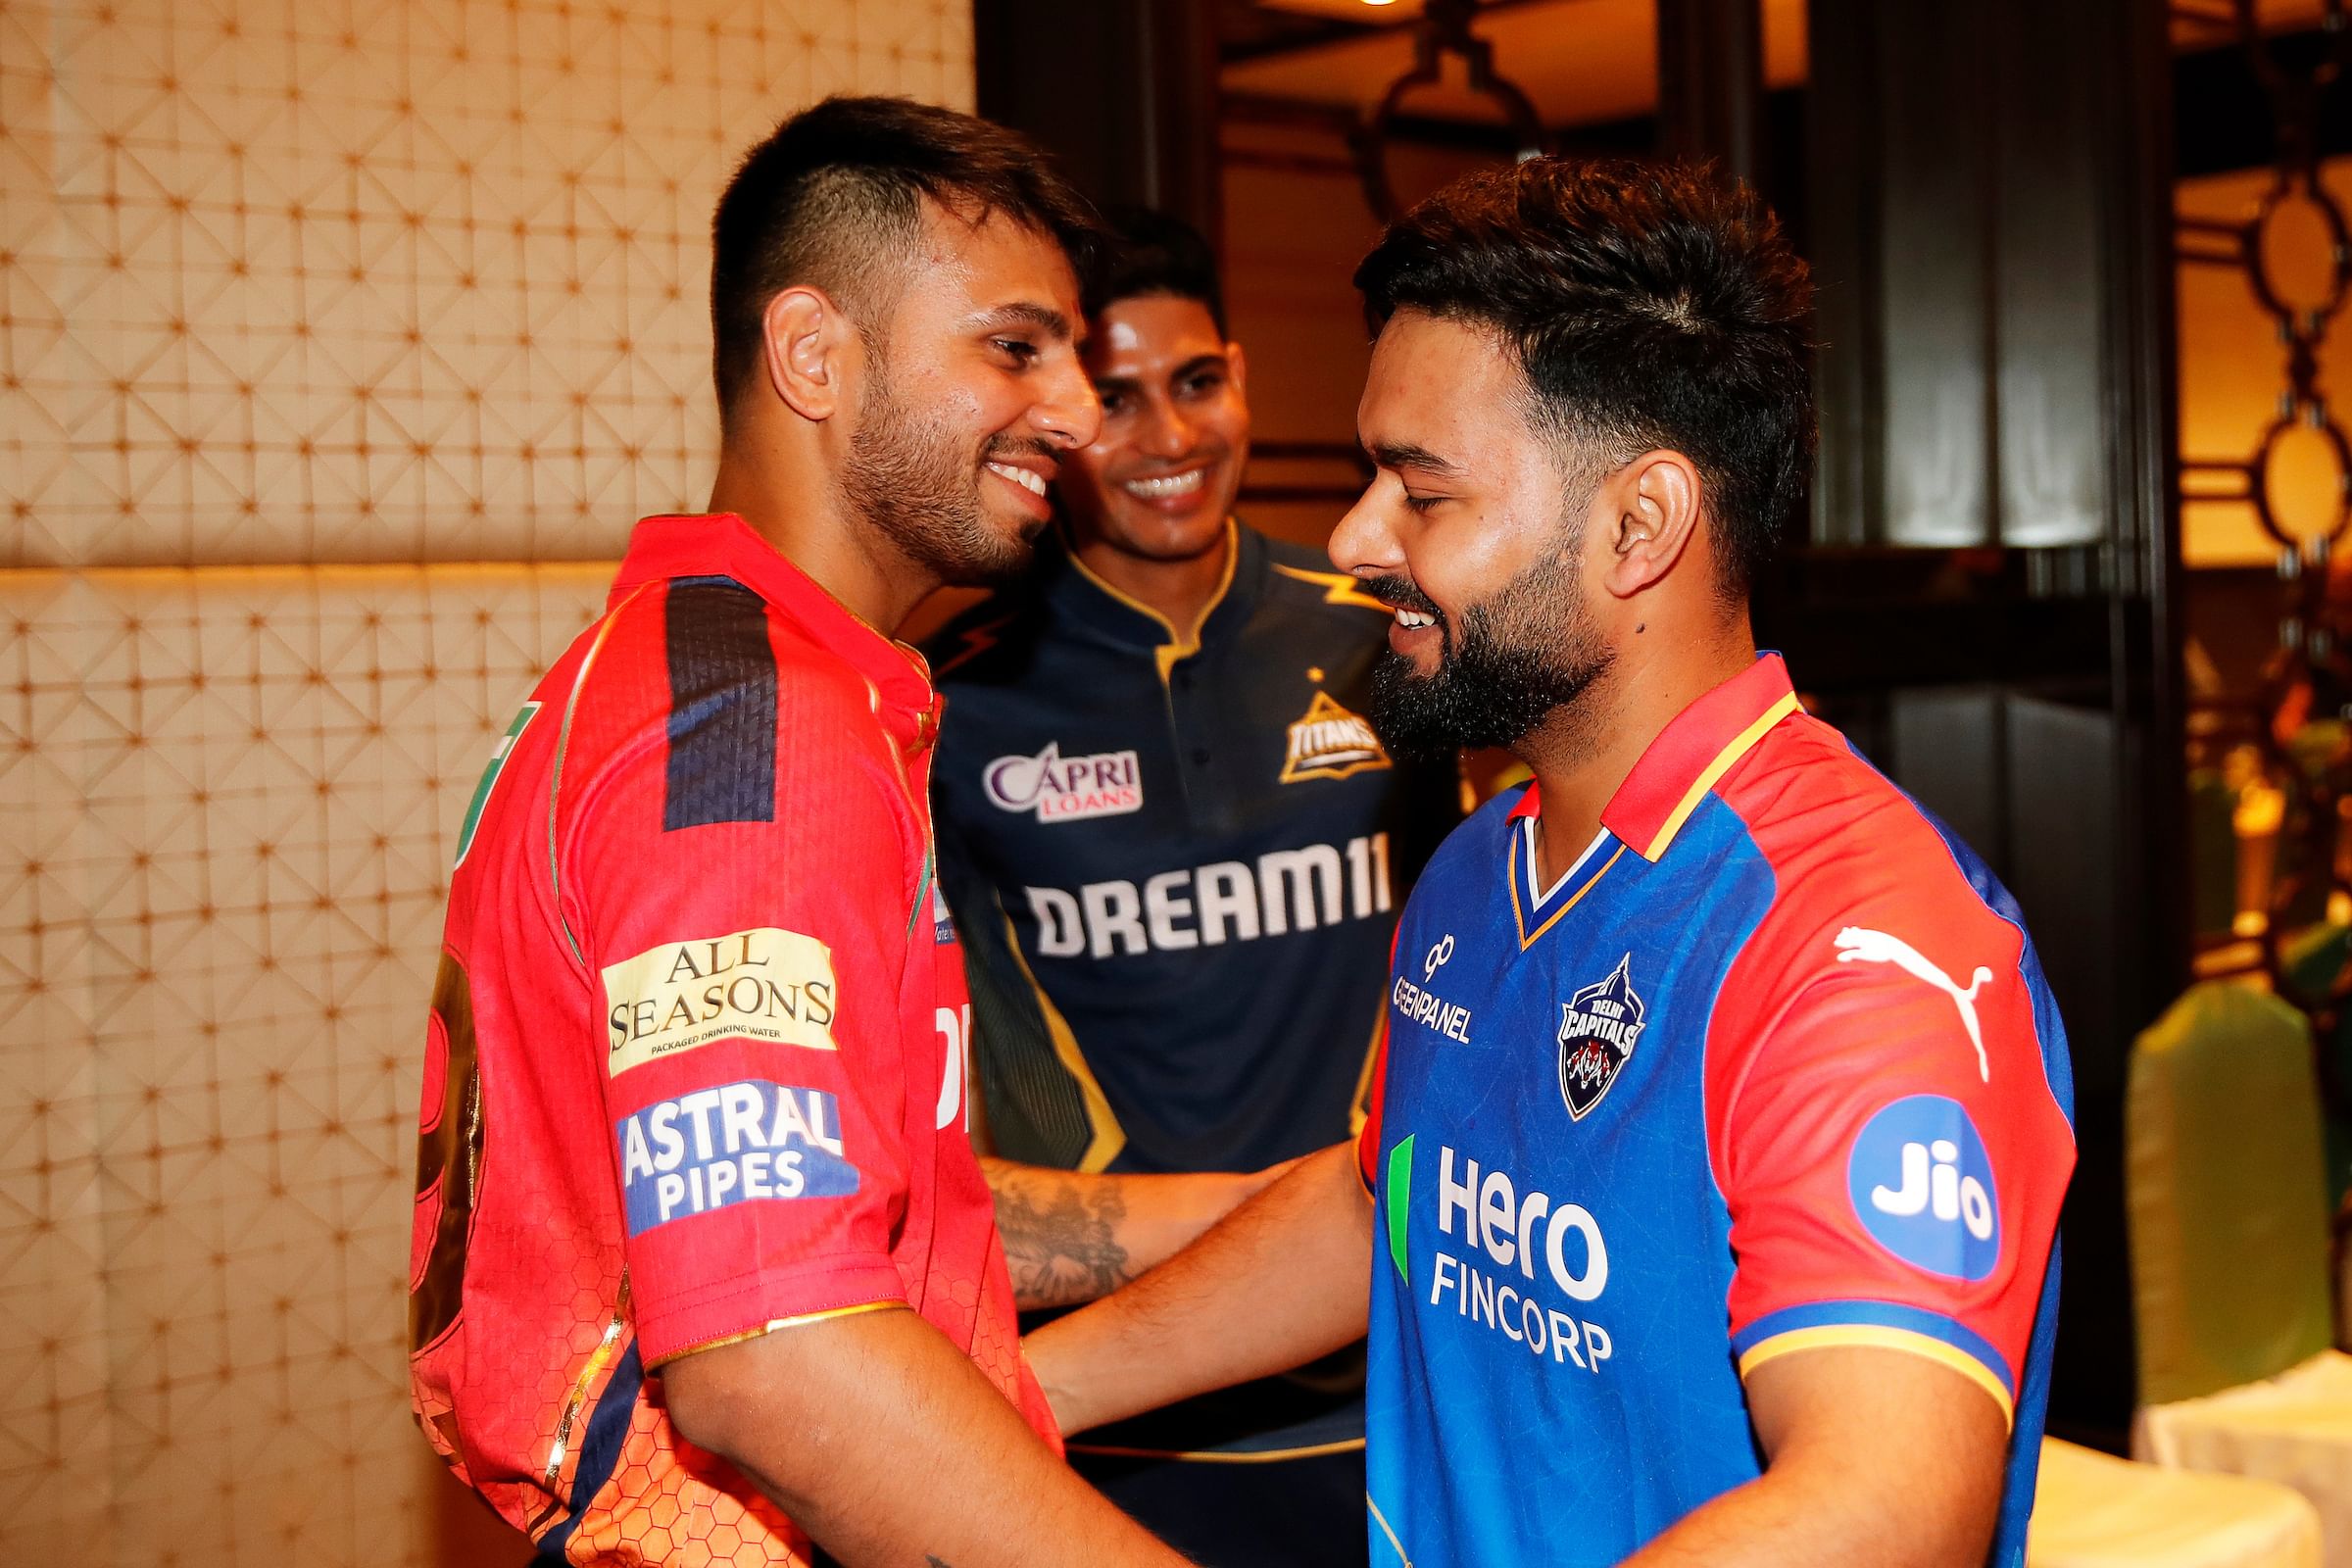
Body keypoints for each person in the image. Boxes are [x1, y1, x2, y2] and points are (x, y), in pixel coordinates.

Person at [1025, 159, 2078, 1568]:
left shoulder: (1862, 949)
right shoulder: (1479, 867)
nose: (1352, 539)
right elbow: (1391, 1203)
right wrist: (1024, 1394)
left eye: (1422, 491)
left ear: (1639, 524)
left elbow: (1888, 1506)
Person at [407, 96, 1251, 1568]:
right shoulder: (752, 729)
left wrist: (1271, 1215)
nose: (1075, 411)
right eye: (1016, 348)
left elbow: (848, 1210)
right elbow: (774, 1356)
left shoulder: (696, 670)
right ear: (811, 354)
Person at [924, 209, 1458, 1565]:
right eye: (1114, 399)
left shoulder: (1391, 634)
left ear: (1243, 377)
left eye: (1198, 381)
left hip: (1393, 1373)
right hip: (1103, 1402)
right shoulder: (953, 697)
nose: (1168, 436)